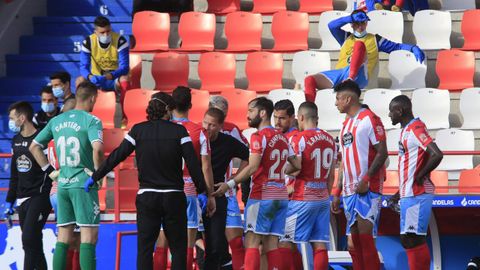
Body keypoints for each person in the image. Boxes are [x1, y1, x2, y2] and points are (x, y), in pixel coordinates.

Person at [85, 92, 208, 270]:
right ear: (166, 109)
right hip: (173, 197)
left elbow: (116, 157)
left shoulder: (138, 130)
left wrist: (95, 176)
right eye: (171, 109)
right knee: (178, 249)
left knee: (144, 249)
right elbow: (193, 163)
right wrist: (202, 190)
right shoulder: (179, 131)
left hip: (147, 197)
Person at [214, 97, 300, 270]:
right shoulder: (282, 137)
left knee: (252, 242)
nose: (247, 115)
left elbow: (252, 167)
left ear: (262, 113)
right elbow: (297, 165)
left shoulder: (257, 136)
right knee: (272, 244)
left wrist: (229, 184)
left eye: (251, 111)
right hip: (281, 196)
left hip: (262, 196)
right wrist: (279, 171)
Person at [30, 81, 104, 270]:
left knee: (63, 237)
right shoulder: (92, 120)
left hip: (62, 185)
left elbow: (34, 146)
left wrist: (50, 172)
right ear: (93, 98)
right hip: (83, 184)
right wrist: (98, 174)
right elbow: (98, 150)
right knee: (89, 237)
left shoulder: (56, 121)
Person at [303, 9, 425, 103]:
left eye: (363, 23)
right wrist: (349, 18)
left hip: (360, 77)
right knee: (309, 80)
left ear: (366, 23)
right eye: (356, 23)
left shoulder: (375, 39)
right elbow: (331, 26)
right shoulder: (345, 37)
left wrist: (412, 47)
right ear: (351, 24)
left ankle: (350, 80)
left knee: (359, 45)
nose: (360, 26)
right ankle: (310, 111)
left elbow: (397, 47)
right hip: (341, 74)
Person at [154, 86, 216, 270]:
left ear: (171, 106)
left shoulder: (162, 129)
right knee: (187, 245)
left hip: (166, 189)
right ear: (190, 105)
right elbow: (205, 166)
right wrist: (210, 194)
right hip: (189, 191)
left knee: (162, 242)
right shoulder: (199, 132)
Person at [330, 80, 388, 270]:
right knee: (353, 243)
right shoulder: (346, 124)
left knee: (365, 237)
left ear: (348, 99)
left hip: (367, 188)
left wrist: (365, 179)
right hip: (348, 190)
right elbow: (344, 162)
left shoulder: (369, 119)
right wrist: (337, 191)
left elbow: (382, 152)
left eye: (338, 98)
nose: (336, 103)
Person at [387, 95, 443, 270]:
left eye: (391, 111)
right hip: (409, 193)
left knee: (413, 238)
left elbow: (437, 154)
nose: (389, 115)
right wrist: (398, 193)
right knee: (408, 240)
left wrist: (420, 176)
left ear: (400, 110)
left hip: (418, 193)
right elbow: (410, 167)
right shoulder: (406, 130)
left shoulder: (416, 128)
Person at [282, 101, 337, 270]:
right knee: (319, 244)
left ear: (301, 117)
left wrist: (284, 169)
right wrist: (325, 195)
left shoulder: (300, 138)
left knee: (287, 242)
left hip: (302, 198)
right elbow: (331, 176)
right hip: (322, 198)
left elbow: (296, 168)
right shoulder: (330, 140)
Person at [5, 101, 53, 270]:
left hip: (40, 196)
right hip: (21, 199)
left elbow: (51, 168)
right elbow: (15, 173)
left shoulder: (42, 139)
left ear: (22, 118)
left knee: (28, 238)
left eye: (12, 118)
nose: (10, 121)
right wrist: (9, 200)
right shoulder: (16, 141)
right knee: (32, 244)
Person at [202, 108, 249, 269]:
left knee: (216, 244)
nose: (207, 128)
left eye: (212, 125)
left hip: (218, 192)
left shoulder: (227, 142)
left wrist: (233, 181)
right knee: (193, 242)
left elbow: (248, 156)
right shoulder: (197, 137)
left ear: (221, 126)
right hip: (197, 193)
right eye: (205, 122)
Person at [77, 16, 130, 123]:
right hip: (96, 78)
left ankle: (125, 117)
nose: (106, 35)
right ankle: (80, 117)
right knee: (80, 81)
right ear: (95, 32)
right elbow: (83, 67)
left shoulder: (120, 40)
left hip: (114, 77)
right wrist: (90, 77)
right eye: (102, 32)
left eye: (108, 31)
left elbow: (124, 67)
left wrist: (108, 76)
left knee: (125, 79)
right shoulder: (88, 42)